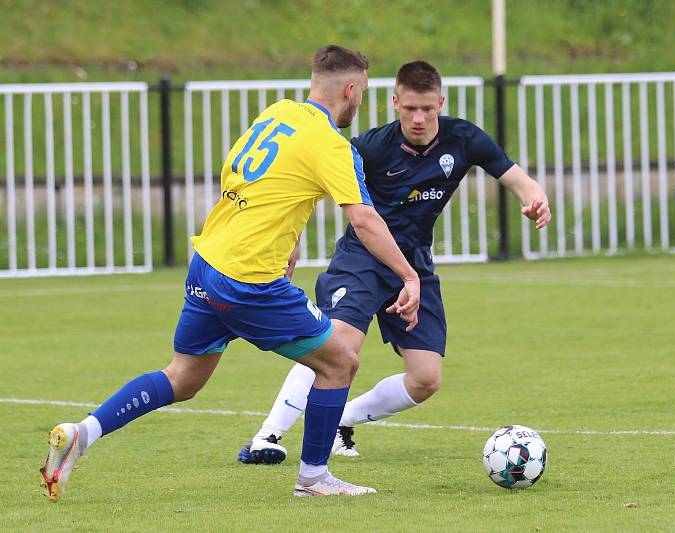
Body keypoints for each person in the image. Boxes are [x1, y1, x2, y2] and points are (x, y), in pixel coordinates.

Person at [39, 44, 421, 501]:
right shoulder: (332, 145)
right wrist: (408, 276)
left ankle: (84, 431)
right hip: (248, 279)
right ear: (351, 88)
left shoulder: (278, 114)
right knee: (341, 361)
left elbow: (251, 180)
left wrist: (289, 238)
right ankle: (314, 478)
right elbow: (363, 220)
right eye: (363, 93)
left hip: (209, 262)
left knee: (183, 378)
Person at [238, 60, 550, 465]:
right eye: (409, 109)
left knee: (425, 379)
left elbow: (516, 177)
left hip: (415, 265)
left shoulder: (464, 139)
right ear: (394, 103)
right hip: (361, 259)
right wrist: (293, 240)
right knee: (338, 346)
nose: (418, 118)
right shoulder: (369, 147)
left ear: (440, 102)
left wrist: (534, 197)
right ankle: (268, 436)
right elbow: (309, 191)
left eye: (427, 108)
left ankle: (340, 421)